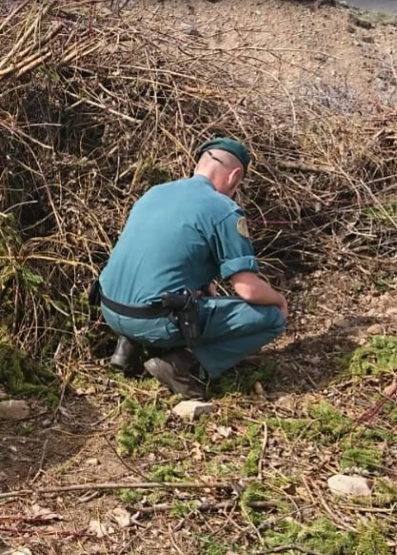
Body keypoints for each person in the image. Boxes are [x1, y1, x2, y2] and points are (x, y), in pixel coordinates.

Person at [94, 137, 288, 399]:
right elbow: (248, 289)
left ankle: (127, 348)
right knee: (271, 318)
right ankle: (181, 365)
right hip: (152, 320)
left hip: (110, 308)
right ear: (235, 175)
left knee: (158, 291)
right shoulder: (223, 209)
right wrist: (279, 300)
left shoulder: (155, 192)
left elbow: (163, 259)